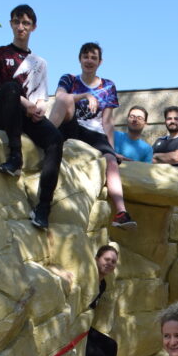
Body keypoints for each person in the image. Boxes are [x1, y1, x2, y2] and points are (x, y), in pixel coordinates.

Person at [0, 4, 64, 231]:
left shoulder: (40, 63)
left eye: (26, 23)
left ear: (33, 27)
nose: (20, 27)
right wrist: (24, 103)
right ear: (10, 24)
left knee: (55, 138)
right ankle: (15, 157)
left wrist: (39, 109)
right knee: (11, 87)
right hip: (4, 111)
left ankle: (43, 207)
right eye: (16, 22)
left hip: (28, 116)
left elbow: (41, 97)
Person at [48, 42, 136, 230]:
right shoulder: (69, 79)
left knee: (111, 161)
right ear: (80, 59)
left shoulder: (108, 86)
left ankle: (121, 212)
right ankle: (44, 135)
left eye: (93, 57)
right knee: (65, 99)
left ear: (100, 62)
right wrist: (85, 95)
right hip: (71, 127)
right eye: (86, 56)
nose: (89, 61)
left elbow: (108, 121)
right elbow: (60, 97)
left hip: (95, 133)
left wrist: (111, 150)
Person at [86, 245, 123, 356]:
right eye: (106, 259)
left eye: (113, 262)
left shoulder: (102, 284)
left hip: (85, 328)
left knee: (110, 345)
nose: (110, 264)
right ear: (97, 258)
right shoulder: (88, 277)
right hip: (74, 331)